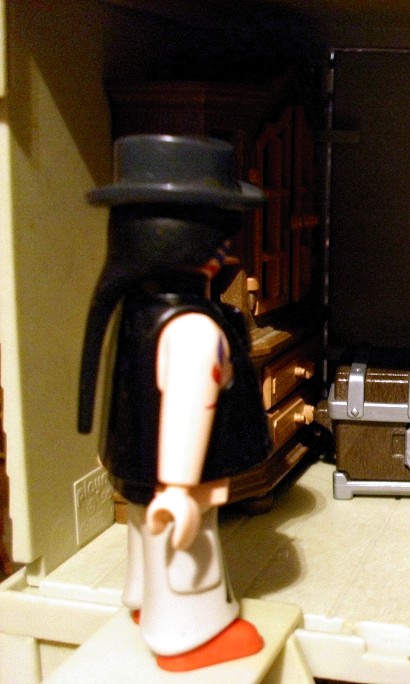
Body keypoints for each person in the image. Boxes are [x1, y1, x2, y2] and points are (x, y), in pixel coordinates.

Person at [77, 135, 271, 671]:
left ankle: (143, 598)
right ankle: (188, 634)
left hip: (137, 465)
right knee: (188, 548)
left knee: (146, 527)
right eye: (221, 239)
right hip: (177, 480)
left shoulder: (136, 310)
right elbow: (190, 405)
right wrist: (182, 489)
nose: (226, 252)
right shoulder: (192, 327)